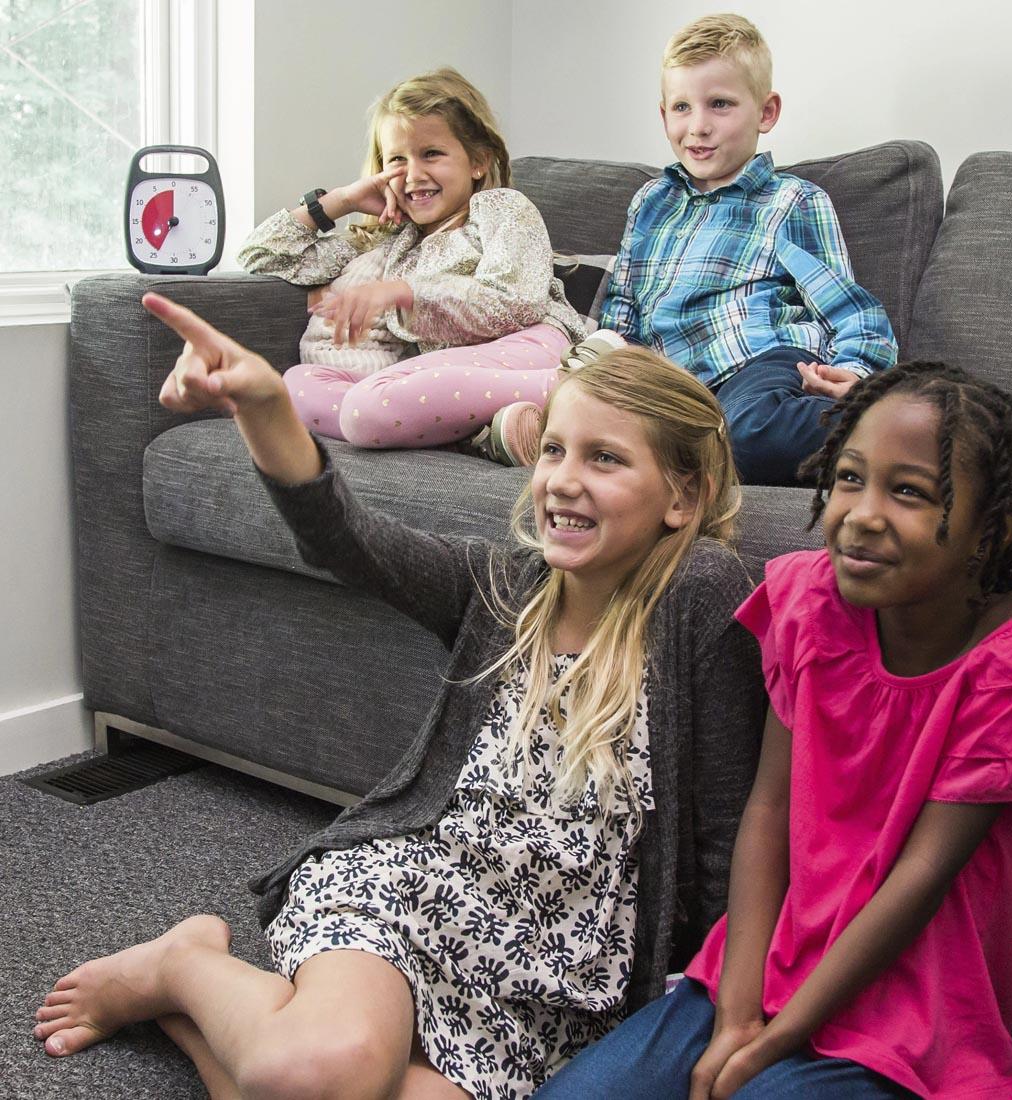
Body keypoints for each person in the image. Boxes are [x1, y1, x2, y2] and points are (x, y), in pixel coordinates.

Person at [32, 292, 763, 1100]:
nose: (562, 480)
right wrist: (267, 403)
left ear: (683, 499)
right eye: (553, 449)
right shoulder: (504, 589)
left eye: (606, 459)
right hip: (415, 893)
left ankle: (195, 1007)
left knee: (309, 1092)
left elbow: (726, 833)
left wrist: (721, 1006)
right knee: (318, 1073)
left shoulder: (701, 593)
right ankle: (184, 967)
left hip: (549, 986)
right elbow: (350, 540)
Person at [532, 361, 1012, 1099]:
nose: (861, 513)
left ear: (999, 530)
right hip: (757, 969)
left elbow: (920, 879)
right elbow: (768, 813)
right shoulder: (813, 606)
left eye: (909, 493)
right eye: (849, 478)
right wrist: (736, 1012)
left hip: (910, 1023)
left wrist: (779, 1038)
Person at [501, 14, 898, 482]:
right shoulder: (651, 203)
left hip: (758, 368)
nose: (699, 126)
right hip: (671, 390)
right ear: (664, 114)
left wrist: (854, 374)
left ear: (766, 112)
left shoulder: (792, 201)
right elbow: (623, 310)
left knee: (747, 436)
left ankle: (895, 430)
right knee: (615, 437)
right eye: (683, 107)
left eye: (720, 105)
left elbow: (851, 312)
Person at [238, 67, 588, 465]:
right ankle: (476, 434)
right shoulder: (391, 243)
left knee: (367, 408)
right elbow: (261, 256)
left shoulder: (501, 210)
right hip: (447, 376)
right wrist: (342, 200)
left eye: (432, 154)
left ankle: (577, 385)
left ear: (477, 161)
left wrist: (406, 293)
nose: (415, 175)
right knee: (297, 385)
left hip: (531, 345)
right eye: (398, 160)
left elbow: (515, 304)